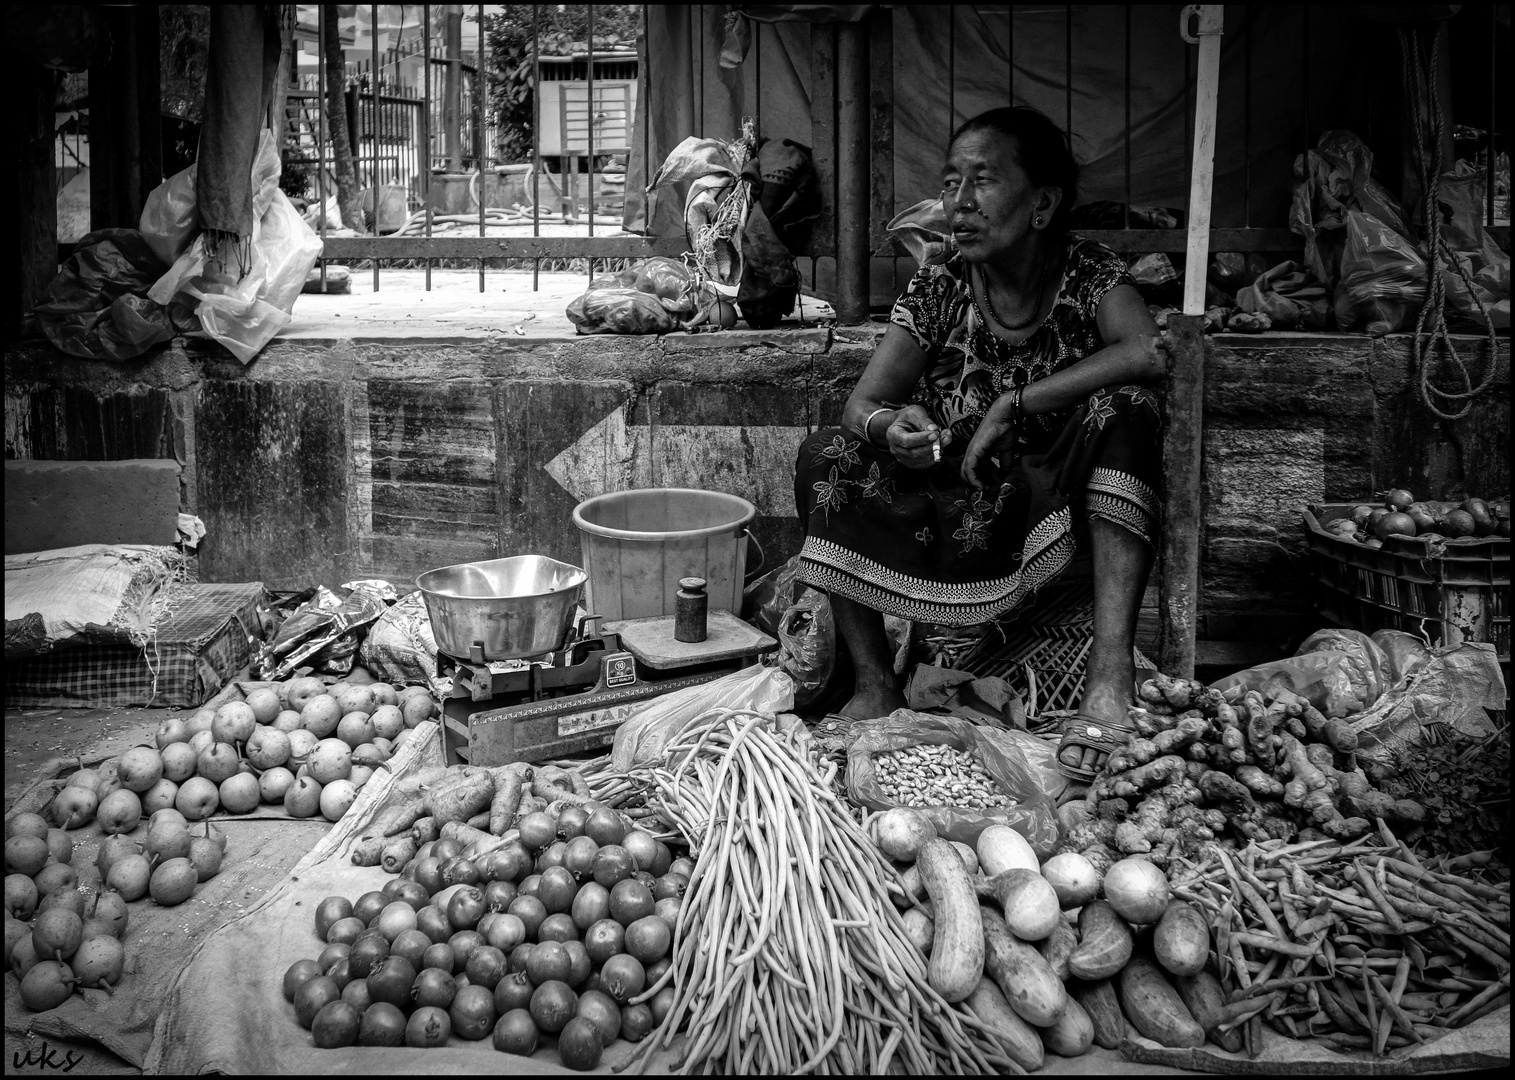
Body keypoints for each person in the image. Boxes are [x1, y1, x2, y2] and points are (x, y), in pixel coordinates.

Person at [792, 106, 1166, 781]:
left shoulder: (1086, 273)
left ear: (1043, 202)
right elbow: (862, 405)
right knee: (827, 455)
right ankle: (875, 683)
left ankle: (1108, 678)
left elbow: (1144, 351)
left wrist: (1015, 401)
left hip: (1051, 492)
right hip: (959, 490)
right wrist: (895, 431)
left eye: (983, 181)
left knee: (1127, 411)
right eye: (950, 181)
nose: (958, 203)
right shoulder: (940, 282)